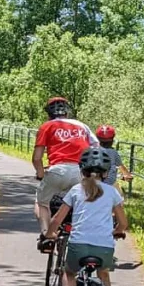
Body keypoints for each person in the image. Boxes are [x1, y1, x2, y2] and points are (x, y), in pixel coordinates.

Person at [44, 146, 129, 286]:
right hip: (104, 247)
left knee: (69, 273)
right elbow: (123, 223)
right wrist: (117, 231)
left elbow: (57, 219)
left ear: (82, 170)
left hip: (78, 245)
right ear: (106, 173)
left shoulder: (75, 190)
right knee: (104, 276)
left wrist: (50, 234)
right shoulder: (112, 193)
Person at [32, 97, 98, 250]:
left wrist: (41, 174)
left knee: (42, 202)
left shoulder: (47, 126)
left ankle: (47, 235)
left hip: (58, 170)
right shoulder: (82, 126)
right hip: (81, 171)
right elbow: (96, 148)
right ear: (67, 112)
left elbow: (37, 158)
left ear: (49, 113)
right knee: (81, 202)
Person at [94, 124, 134, 189]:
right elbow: (121, 167)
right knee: (120, 197)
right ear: (112, 140)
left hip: (94, 183)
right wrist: (128, 175)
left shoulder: (93, 150)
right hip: (109, 184)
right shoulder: (113, 152)